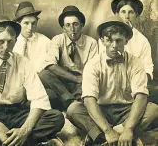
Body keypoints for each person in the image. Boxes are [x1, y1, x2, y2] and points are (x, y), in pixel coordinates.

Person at [0, 16, 65, 146]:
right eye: (0, 42)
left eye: (10, 42)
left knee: (56, 118)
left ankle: (17, 140)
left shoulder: (23, 63)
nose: (6, 47)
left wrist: (24, 131)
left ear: (15, 41)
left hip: (18, 113)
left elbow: (39, 99)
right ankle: (30, 143)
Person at [67, 15, 158, 146]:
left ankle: (101, 137)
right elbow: (89, 99)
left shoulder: (136, 63)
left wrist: (128, 128)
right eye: (109, 40)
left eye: (119, 41)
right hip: (102, 109)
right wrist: (108, 130)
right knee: (73, 109)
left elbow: (141, 96)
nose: (114, 46)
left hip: (127, 109)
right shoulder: (93, 64)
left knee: (154, 110)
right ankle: (112, 137)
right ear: (103, 41)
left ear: (126, 41)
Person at [39, 5, 98, 111]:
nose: (72, 29)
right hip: (63, 82)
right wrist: (75, 79)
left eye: (75, 24)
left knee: (89, 91)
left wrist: (82, 80)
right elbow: (50, 65)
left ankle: (70, 103)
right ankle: (70, 100)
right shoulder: (57, 40)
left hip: (83, 82)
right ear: (63, 28)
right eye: (68, 25)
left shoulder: (91, 43)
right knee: (44, 74)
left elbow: (93, 69)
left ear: (81, 25)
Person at [13, 1, 50, 73]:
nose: (30, 28)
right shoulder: (11, 42)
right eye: (26, 23)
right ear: (18, 24)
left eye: (33, 23)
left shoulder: (45, 41)